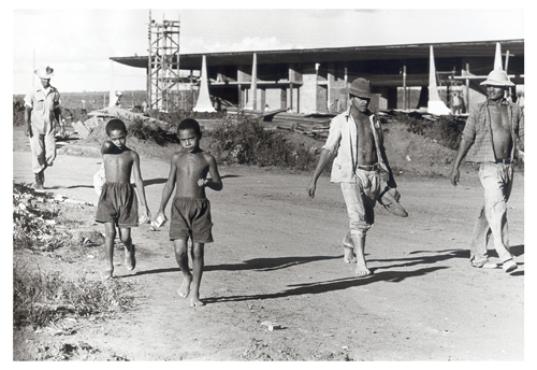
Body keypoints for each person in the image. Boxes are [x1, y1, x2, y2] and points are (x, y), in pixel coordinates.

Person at [308, 77, 399, 277]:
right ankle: (361, 263)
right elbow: (328, 149)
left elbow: (380, 149)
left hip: (373, 173)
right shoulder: (340, 121)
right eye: (360, 98)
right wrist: (314, 179)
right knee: (357, 217)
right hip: (350, 174)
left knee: (368, 219)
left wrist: (390, 179)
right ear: (351, 98)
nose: (365, 102)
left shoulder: (374, 119)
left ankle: (348, 242)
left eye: (367, 99)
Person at [450, 69, 524, 273]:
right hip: (487, 166)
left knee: (489, 211)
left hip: (507, 167)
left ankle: (478, 255)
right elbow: (467, 137)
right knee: (498, 207)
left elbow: (524, 134)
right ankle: (504, 253)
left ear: (505, 88)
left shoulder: (515, 110)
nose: (490, 89)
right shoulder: (478, 109)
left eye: (495, 86)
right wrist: (456, 165)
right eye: (488, 86)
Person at [155, 118, 223, 307]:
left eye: (191, 139)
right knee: (180, 250)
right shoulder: (177, 158)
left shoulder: (207, 159)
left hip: (200, 207)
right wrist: (161, 208)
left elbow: (219, 185)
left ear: (199, 137)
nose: (187, 143)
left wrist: (209, 182)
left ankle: (196, 293)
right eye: (183, 140)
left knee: (198, 251)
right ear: (179, 140)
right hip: (179, 207)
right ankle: (186, 275)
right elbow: (170, 184)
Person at [95, 119, 150, 279]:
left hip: (126, 195)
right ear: (109, 138)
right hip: (108, 195)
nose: (118, 141)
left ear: (126, 135)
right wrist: (108, 142)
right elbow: (105, 145)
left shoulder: (132, 155)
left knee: (124, 236)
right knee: (110, 232)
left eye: (121, 137)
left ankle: (129, 249)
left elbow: (138, 179)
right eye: (114, 138)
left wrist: (144, 206)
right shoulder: (106, 151)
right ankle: (109, 266)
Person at [24, 66, 64, 190]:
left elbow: (57, 110)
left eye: (48, 79)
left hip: (50, 127)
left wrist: (61, 125)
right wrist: (27, 126)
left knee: (51, 154)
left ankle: (40, 170)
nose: (46, 81)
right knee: (38, 153)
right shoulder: (33, 91)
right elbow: (27, 109)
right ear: (40, 79)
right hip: (35, 126)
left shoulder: (54, 92)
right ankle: (38, 178)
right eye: (43, 79)